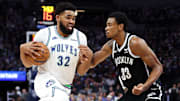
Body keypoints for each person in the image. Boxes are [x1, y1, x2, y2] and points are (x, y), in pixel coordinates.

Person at [82, 11, 163, 101]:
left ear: (120, 26)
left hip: (149, 91)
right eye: (106, 25)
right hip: (132, 92)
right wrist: (87, 54)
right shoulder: (110, 46)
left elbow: (158, 66)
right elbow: (92, 62)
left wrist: (144, 86)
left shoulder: (135, 43)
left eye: (109, 25)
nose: (106, 28)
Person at [20, 2, 92, 101]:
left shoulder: (81, 38)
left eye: (73, 18)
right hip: (44, 80)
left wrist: (89, 58)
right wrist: (22, 50)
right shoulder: (44, 34)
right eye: (68, 17)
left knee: (59, 97)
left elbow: (81, 71)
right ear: (58, 17)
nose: (71, 21)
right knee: (57, 97)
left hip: (65, 86)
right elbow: (28, 64)